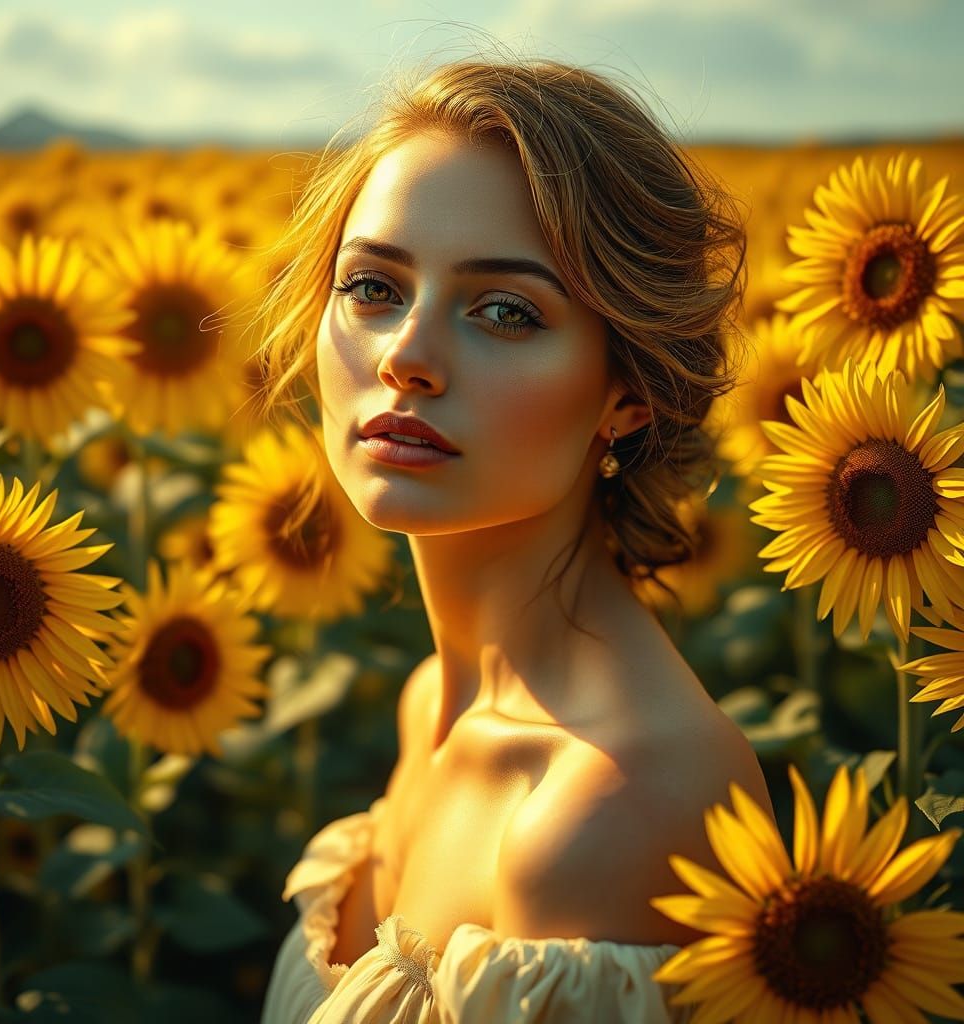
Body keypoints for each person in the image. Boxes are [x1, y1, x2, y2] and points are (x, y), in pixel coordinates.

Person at [257, 52, 773, 1024]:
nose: (406, 356)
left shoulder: (615, 807)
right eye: (371, 287)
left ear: (627, 395)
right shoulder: (432, 702)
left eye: (504, 311)